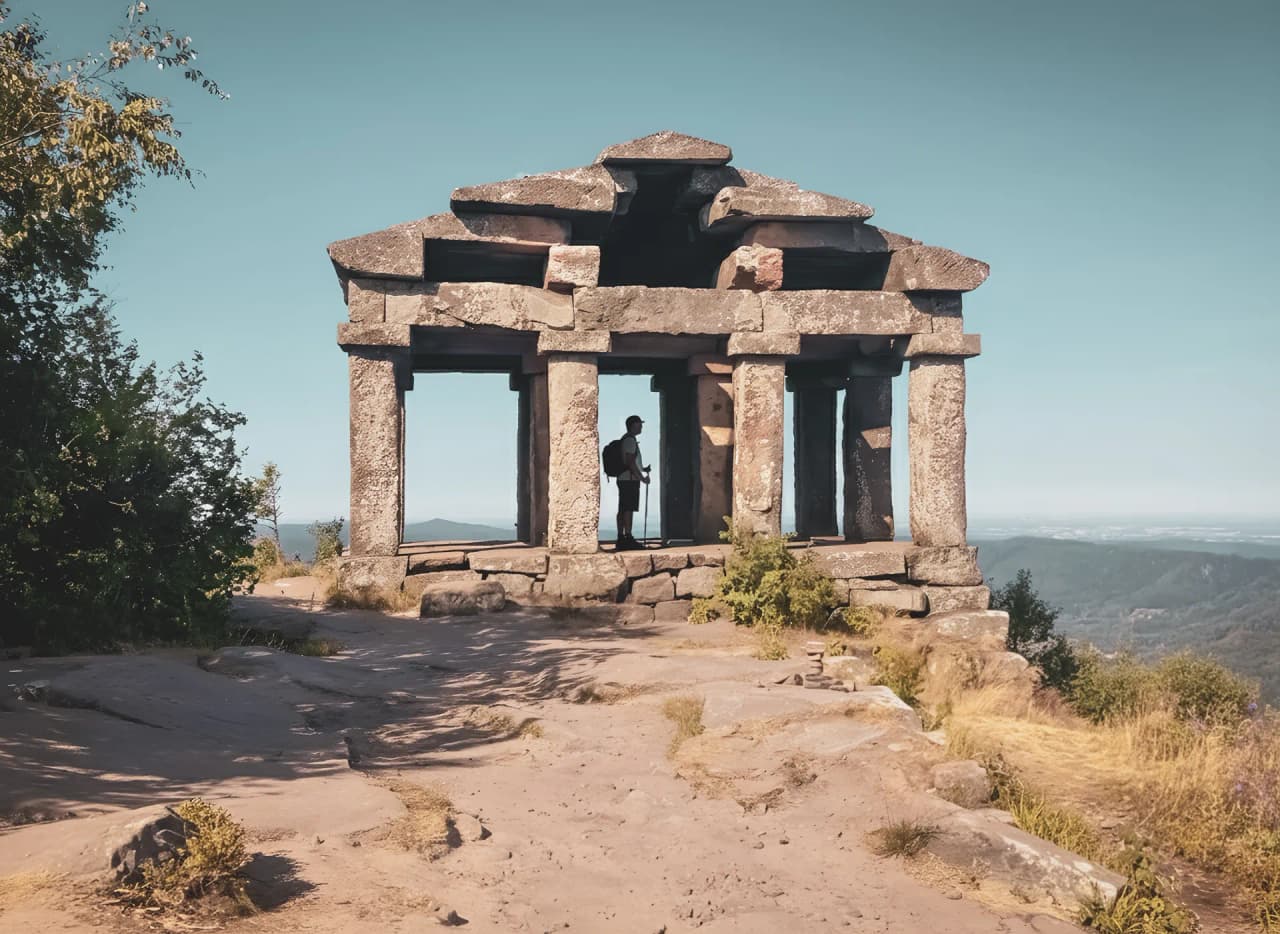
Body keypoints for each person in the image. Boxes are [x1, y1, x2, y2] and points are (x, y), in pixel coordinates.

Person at [616, 415, 650, 551]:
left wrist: (643, 468)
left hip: (624, 478)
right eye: (639, 424)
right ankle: (628, 537)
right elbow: (630, 462)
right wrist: (642, 478)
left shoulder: (626, 439)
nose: (641, 427)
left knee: (623, 508)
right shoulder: (630, 440)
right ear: (632, 426)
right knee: (628, 508)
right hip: (630, 479)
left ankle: (621, 537)